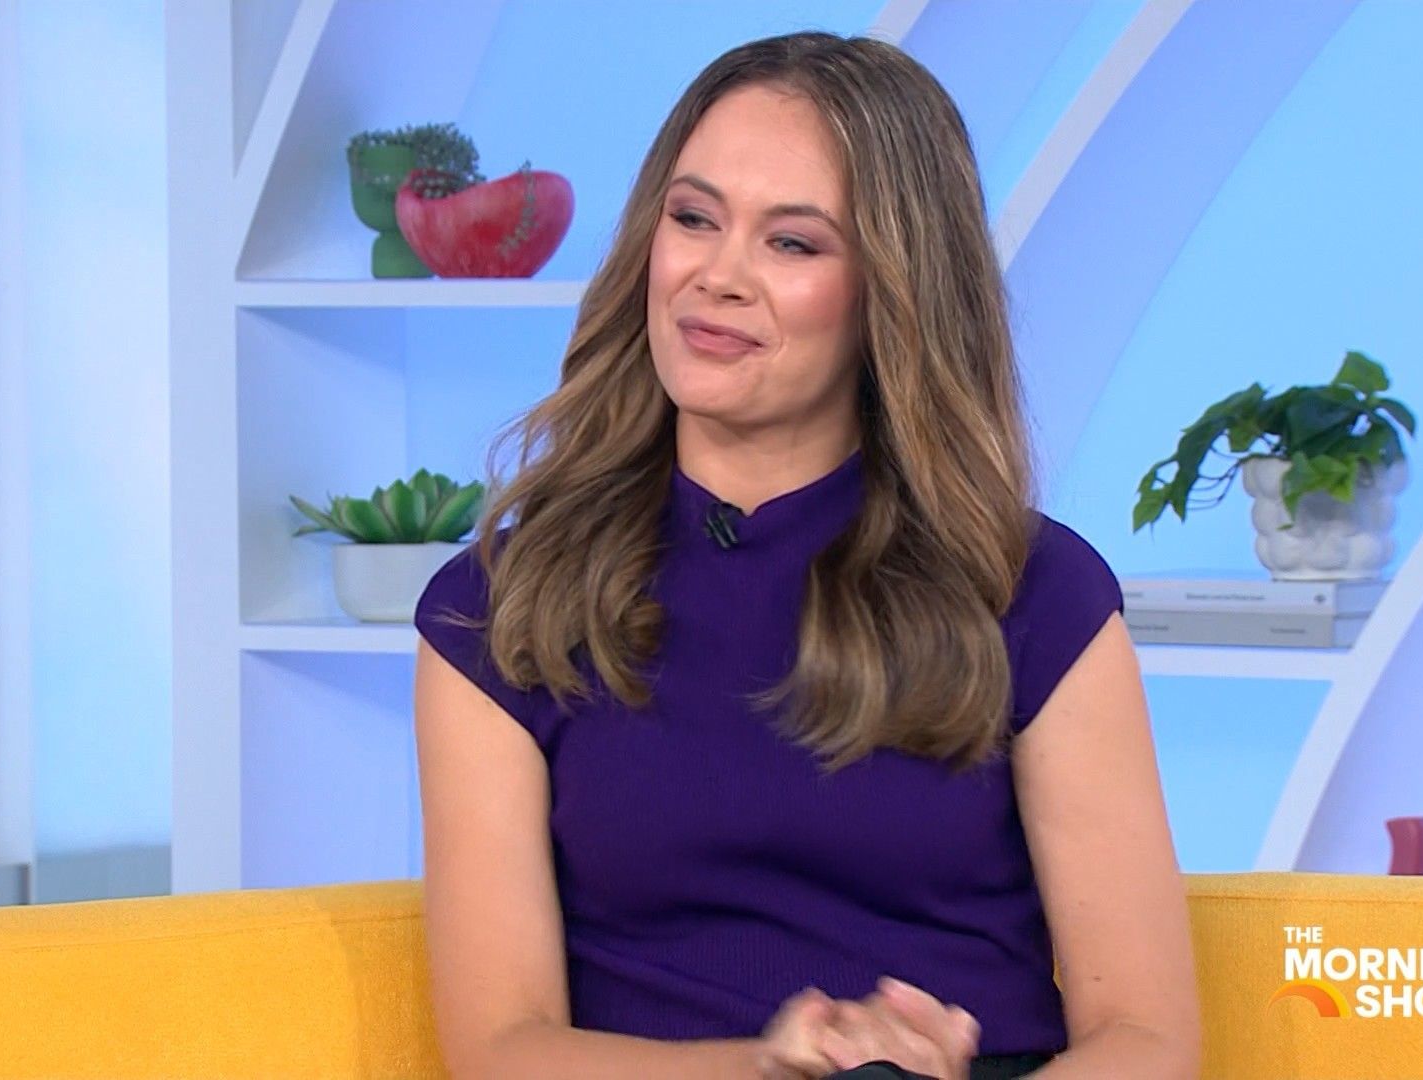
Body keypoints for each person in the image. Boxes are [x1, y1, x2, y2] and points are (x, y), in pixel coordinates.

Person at [411, 30, 1200, 1080]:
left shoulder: (1033, 593)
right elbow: (500, 1048)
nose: (718, 277)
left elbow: (1147, 1038)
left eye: (792, 243)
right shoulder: (497, 610)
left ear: (893, 293)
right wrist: (770, 1068)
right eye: (694, 219)